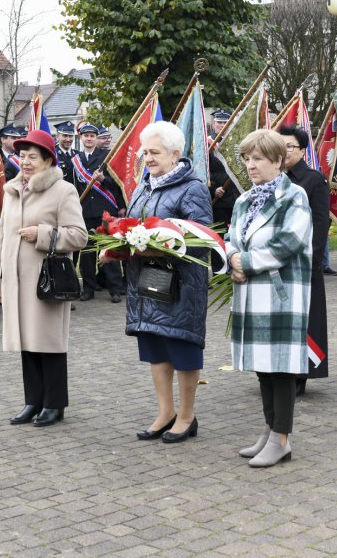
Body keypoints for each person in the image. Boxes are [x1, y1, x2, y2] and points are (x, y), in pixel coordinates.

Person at [112, 121, 213, 443]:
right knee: (155, 347)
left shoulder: (192, 187)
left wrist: (159, 244)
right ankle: (165, 412)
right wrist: (118, 246)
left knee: (181, 348)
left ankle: (186, 416)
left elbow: (201, 237)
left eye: (154, 152)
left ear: (175, 154)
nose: (148, 158)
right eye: (145, 152)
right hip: (146, 281)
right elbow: (131, 224)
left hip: (180, 284)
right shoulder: (143, 186)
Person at [227, 129, 313, 467]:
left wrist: (244, 262)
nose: (251, 165)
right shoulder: (243, 200)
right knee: (263, 367)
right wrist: (232, 258)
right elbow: (232, 237)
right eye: (247, 158)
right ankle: (269, 429)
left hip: (280, 293)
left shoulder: (295, 196)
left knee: (281, 368)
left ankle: (281, 438)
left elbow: (288, 243)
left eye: (258, 158)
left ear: (278, 160)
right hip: (250, 291)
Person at [0, 129, 87, 427]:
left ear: (48, 160)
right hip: (16, 281)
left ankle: (54, 404)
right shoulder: (12, 190)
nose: (26, 162)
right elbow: (3, 239)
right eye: (22, 156)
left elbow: (79, 236)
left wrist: (42, 235)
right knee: (26, 342)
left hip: (47, 283)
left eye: (33, 156)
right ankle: (33, 401)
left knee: (49, 343)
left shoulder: (63, 191)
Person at [278, 125, 329, 396]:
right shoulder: (271, 178)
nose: (284, 152)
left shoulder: (313, 180)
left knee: (305, 321)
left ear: (301, 149)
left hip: (303, 263)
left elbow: (320, 226)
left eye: (290, 147)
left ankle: (301, 373)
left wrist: (312, 261)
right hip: (275, 264)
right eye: (280, 146)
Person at [74, 123, 124, 302]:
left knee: (109, 250)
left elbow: (117, 183)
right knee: (87, 253)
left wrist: (103, 179)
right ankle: (88, 289)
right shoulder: (76, 159)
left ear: (96, 138)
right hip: (85, 211)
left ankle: (115, 289)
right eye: (85, 136)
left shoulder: (106, 157)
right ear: (80, 138)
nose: (89, 139)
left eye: (92, 136)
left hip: (105, 211)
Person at [208, 109, 240, 233]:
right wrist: (213, 190)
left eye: (225, 122)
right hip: (218, 201)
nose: (222, 125)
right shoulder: (207, 144)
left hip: (236, 198)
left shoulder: (236, 143)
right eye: (219, 122)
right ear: (213, 124)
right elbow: (203, 171)